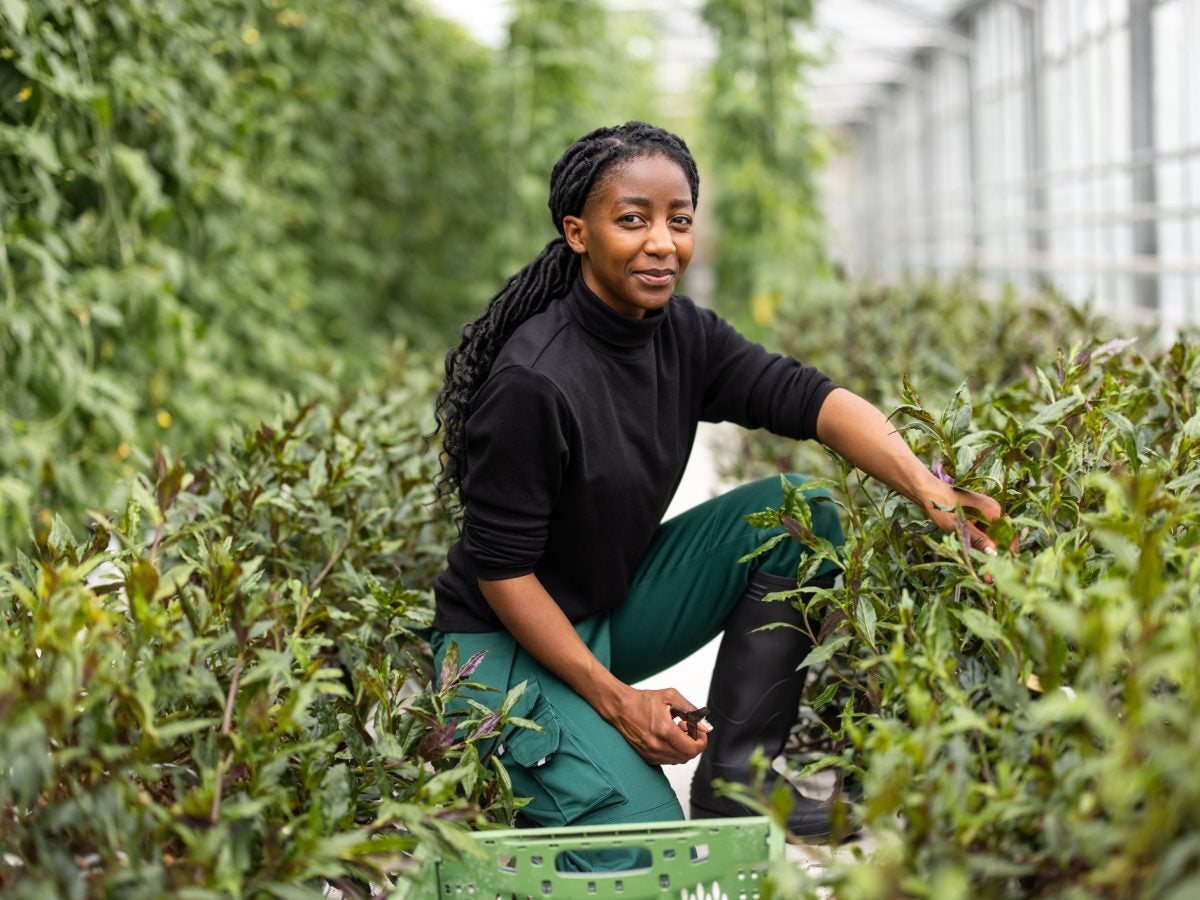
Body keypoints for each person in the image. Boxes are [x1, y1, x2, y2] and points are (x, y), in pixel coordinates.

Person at [429, 121, 1004, 869]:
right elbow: (502, 574)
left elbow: (810, 399)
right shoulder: (535, 382)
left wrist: (931, 490)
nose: (662, 242)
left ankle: (737, 781)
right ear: (578, 231)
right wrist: (618, 703)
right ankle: (545, 764)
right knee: (646, 853)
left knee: (802, 513)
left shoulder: (680, 333)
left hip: (602, 609)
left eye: (679, 219)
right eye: (632, 219)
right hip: (497, 653)